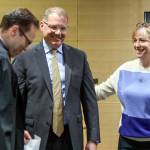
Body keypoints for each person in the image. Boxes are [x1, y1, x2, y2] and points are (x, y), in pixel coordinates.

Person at [13, 7, 100, 150]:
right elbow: (15, 100)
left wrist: (93, 138)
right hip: (35, 135)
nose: (58, 33)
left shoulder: (79, 57)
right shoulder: (24, 57)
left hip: (70, 136)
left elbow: (89, 100)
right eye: (53, 27)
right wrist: (18, 129)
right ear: (42, 25)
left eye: (63, 28)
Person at [95, 22, 150, 150]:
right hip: (127, 141)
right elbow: (100, 92)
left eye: (142, 40)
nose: (137, 45)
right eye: (135, 40)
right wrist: (75, 86)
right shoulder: (125, 69)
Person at [0, 8, 39, 150]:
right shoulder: (2, 61)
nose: (25, 49)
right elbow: (2, 116)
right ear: (14, 31)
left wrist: (17, 132)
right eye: (28, 42)